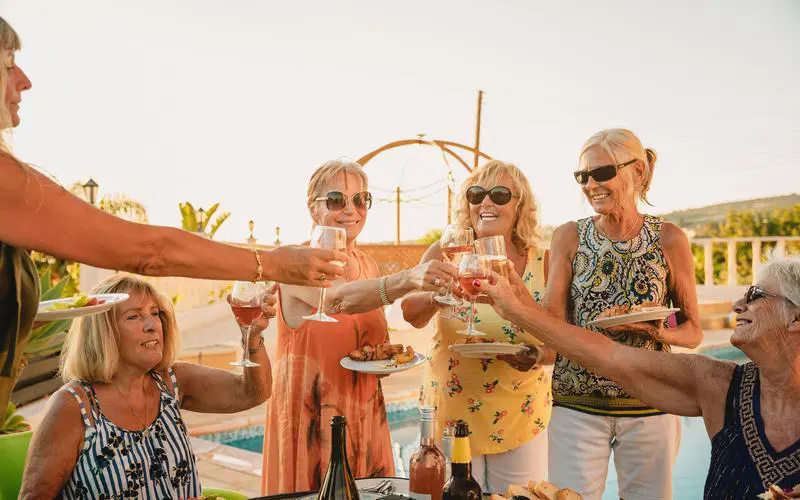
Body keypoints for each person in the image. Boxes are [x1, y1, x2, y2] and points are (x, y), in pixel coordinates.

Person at [0, 16, 345, 413]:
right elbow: (148, 251)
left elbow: (251, 393)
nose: (24, 80)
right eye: (9, 64)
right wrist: (270, 264)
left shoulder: (169, 382)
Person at [481, 253, 800, 499]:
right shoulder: (723, 386)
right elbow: (610, 357)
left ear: (796, 316)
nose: (738, 303)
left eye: (756, 294)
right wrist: (518, 308)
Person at [263, 159, 458, 494]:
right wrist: (409, 278)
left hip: (364, 411)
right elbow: (337, 299)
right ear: (313, 209)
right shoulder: (296, 263)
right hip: (312, 418)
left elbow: (379, 360)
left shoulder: (367, 265)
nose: (350, 210)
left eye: (360, 200)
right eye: (337, 200)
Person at [542, 128, 703, 499]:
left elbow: (692, 330)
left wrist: (659, 331)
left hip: (651, 401)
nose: (590, 185)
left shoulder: (669, 238)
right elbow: (552, 322)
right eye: (582, 176)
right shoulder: (569, 236)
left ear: (638, 172)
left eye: (602, 173)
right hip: (576, 403)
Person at [20, 274, 275, 498]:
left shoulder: (171, 381)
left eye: (155, 313)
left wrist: (252, 335)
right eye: (134, 316)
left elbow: (252, 392)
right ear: (103, 331)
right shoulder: (73, 406)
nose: (153, 325)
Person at [401, 160, 555, 492]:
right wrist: (437, 298)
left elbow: (561, 341)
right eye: (476, 194)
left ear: (520, 205)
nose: (486, 202)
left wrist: (539, 356)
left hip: (520, 417)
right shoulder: (446, 251)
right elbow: (410, 312)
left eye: (499, 194)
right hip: (448, 414)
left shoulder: (547, 261)